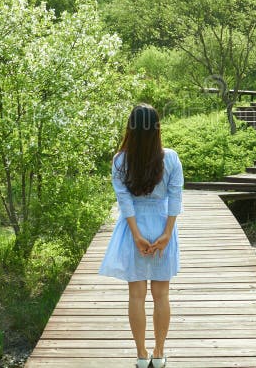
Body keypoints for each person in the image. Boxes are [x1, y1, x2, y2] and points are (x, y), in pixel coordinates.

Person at [98, 103, 184, 368]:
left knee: (136, 295)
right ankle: (159, 354)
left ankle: (141, 355)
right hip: (160, 225)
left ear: (131, 128)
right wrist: (167, 233)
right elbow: (175, 197)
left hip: (133, 227)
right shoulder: (170, 158)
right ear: (157, 127)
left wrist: (135, 235)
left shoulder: (120, 160)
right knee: (161, 295)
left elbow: (124, 202)